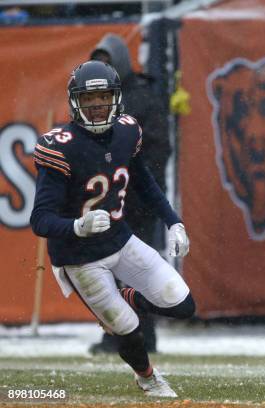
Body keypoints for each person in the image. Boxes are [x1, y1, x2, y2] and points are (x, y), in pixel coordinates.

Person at [30, 60, 194, 397]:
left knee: (183, 305)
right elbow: (40, 220)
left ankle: (127, 296)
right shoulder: (60, 146)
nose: (96, 106)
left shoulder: (127, 130)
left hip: (120, 240)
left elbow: (144, 183)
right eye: (88, 100)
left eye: (103, 97)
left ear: (116, 98)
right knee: (129, 329)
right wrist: (78, 225)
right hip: (79, 258)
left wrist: (173, 220)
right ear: (75, 102)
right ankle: (147, 376)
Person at [88, 33, 172, 354]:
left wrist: (130, 178)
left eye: (107, 63)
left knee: (136, 269)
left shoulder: (142, 98)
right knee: (105, 269)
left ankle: (139, 335)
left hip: (136, 201)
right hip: (107, 201)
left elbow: (158, 149)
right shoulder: (96, 101)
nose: (103, 70)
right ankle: (120, 333)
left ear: (120, 63)